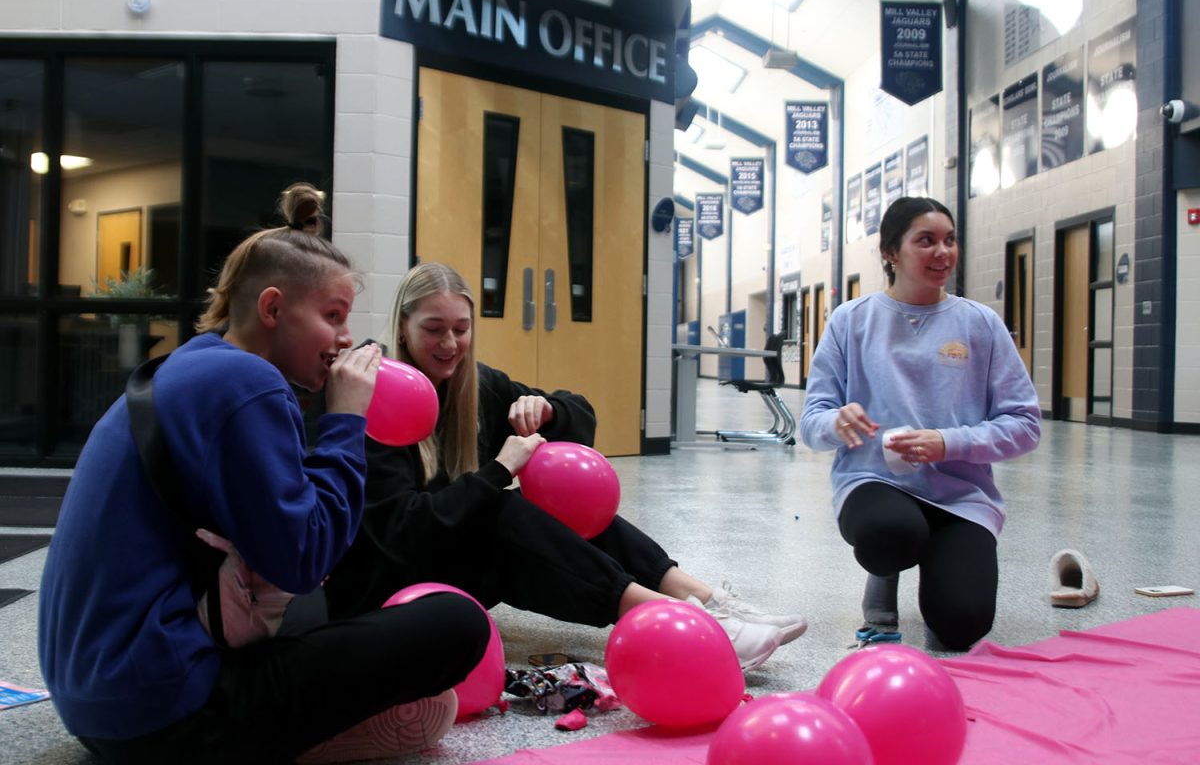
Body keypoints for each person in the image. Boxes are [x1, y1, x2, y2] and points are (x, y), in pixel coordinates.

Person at [39, 223, 489, 763]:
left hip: (95, 701)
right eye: (333, 317)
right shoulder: (250, 385)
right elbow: (303, 559)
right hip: (164, 716)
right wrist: (346, 419)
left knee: (327, 609)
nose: (346, 339)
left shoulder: (194, 363)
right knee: (457, 624)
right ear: (273, 309)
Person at [322, 261, 807, 671]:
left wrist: (547, 410)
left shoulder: (475, 386)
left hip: (448, 566)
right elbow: (402, 531)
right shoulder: (375, 393)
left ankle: (701, 597)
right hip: (388, 584)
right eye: (433, 329)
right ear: (402, 327)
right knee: (499, 511)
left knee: (555, 501)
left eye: (461, 329)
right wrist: (496, 472)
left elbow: (580, 416)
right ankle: (679, 622)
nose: (450, 343)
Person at [799, 197, 1040, 651]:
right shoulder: (851, 321)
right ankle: (885, 574)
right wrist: (838, 422)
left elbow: (1025, 424)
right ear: (891, 252)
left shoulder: (980, 325)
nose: (942, 252)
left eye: (949, 240)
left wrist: (948, 443)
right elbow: (812, 423)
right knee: (890, 535)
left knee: (961, 627)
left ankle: (941, 563)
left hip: (960, 498)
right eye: (925, 241)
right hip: (874, 482)